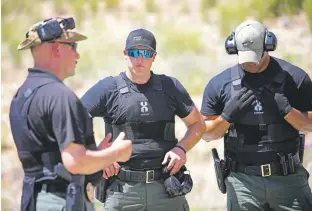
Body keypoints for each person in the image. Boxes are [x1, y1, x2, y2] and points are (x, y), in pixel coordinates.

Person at [9, 17, 132, 211]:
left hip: (35, 200)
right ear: (57, 48)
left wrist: (98, 154)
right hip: (61, 201)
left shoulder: (22, 95)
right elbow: (75, 162)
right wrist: (115, 153)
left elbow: (48, 158)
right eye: (73, 46)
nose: (77, 55)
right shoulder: (60, 96)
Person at [81, 28, 205, 211]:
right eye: (134, 53)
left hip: (166, 189)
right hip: (123, 190)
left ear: (154, 56)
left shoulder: (170, 87)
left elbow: (198, 124)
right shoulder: (108, 88)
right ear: (125, 54)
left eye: (145, 53)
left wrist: (181, 148)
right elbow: (74, 119)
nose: (139, 59)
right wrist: (100, 156)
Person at [201, 20, 312, 211]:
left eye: (256, 57)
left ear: (268, 46)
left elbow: (309, 125)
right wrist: (227, 116)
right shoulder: (219, 85)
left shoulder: (295, 78)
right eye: (246, 59)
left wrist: (286, 110)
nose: (252, 64)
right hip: (243, 183)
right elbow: (206, 134)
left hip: (288, 180)